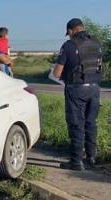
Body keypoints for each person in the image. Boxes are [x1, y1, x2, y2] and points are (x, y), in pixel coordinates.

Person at [53, 18, 103, 171]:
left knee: (76, 124)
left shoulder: (69, 45)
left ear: (70, 31)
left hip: (76, 90)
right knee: (90, 123)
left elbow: (57, 73)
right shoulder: (97, 43)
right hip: (95, 88)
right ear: (83, 27)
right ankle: (91, 158)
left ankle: (76, 161)